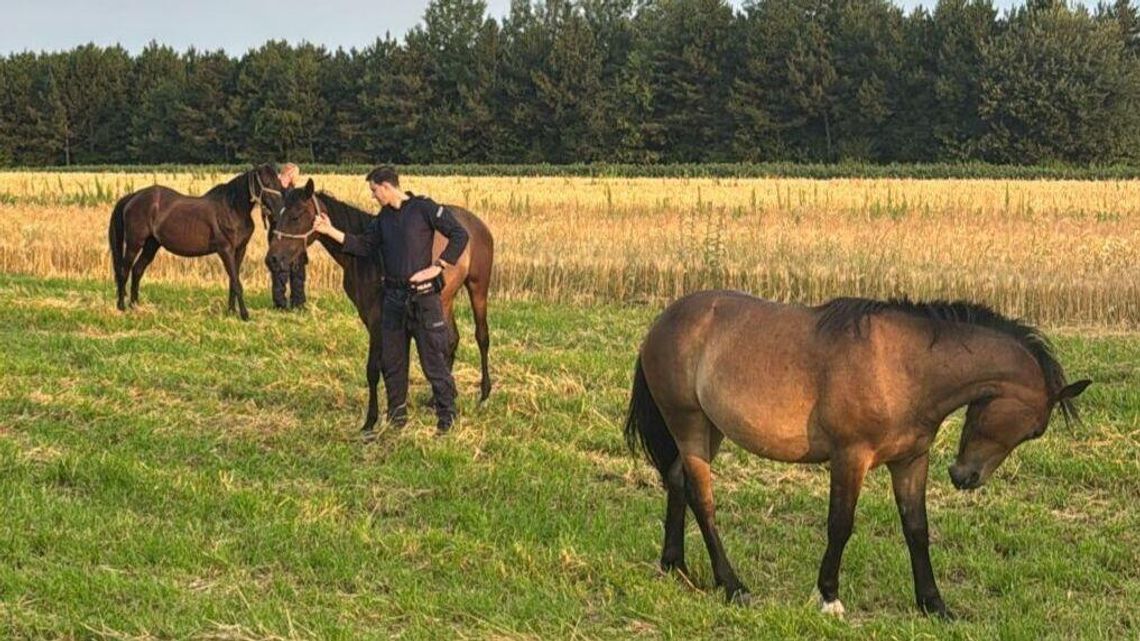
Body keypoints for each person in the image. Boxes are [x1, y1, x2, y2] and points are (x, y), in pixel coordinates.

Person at [313, 166, 469, 435]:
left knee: (434, 363)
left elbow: (459, 234)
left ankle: (447, 420)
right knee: (393, 365)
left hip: (423, 300)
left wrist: (439, 265)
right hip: (393, 302)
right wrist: (329, 231)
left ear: (386, 186)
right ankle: (396, 422)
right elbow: (362, 246)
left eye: (374, 190)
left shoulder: (424, 208)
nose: (373, 196)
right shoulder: (382, 220)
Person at [266, 162, 307, 309]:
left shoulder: (292, 191)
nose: (297, 178)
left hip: (294, 235)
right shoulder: (274, 192)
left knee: (298, 266)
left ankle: (298, 302)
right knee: (280, 268)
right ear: (290, 173)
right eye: (297, 174)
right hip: (280, 234)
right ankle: (280, 304)